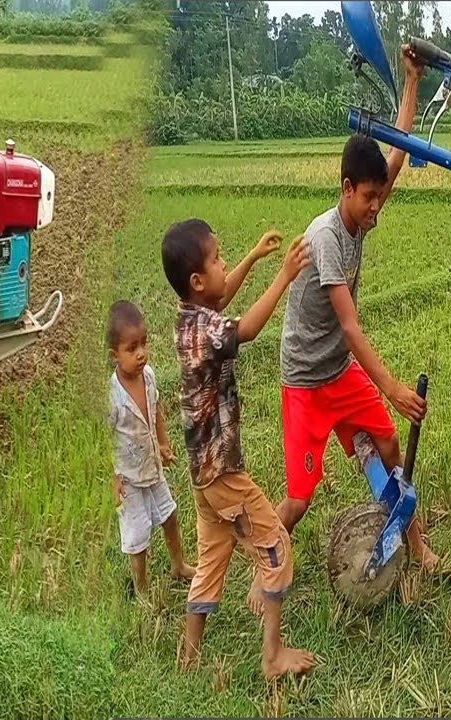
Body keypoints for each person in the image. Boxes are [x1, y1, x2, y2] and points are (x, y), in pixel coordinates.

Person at [276, 45, 443, 572]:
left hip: (340, 373)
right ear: (346, 188)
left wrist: (411, 82)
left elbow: (397, 151)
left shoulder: (363, 214)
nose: (377, 206)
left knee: (390, 443)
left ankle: (417, 546)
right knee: (299, 500)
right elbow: (349, 327)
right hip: (305, 378)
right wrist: (393, 388)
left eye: (380, 196)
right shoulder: (326, 237)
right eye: (368, 196)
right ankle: (266, 566)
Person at [162, 218, 314, 679]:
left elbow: (222, 300)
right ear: (196, 280)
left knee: (211, 558)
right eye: (217, 258)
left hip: (201, 476)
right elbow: (244, 328)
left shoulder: (188, 321)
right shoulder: (210, 330)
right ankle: (272, 656)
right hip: (225, 473)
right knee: (275, 544)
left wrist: (250, 256)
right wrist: (284, 275)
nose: (224, 263)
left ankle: (188, 655)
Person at [108, 299, 195, 595]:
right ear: (114, 356)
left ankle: (178, 565)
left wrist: (164, 443)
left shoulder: (149, 377)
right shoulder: (112, 396)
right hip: (129, 477)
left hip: (153, 467)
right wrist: (113, 477)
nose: (141, 353)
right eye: (132, 349)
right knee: (138, 535)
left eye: (143, 344)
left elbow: (156, 410)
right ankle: (141, 587)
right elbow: (103, 438)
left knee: (170, 515)